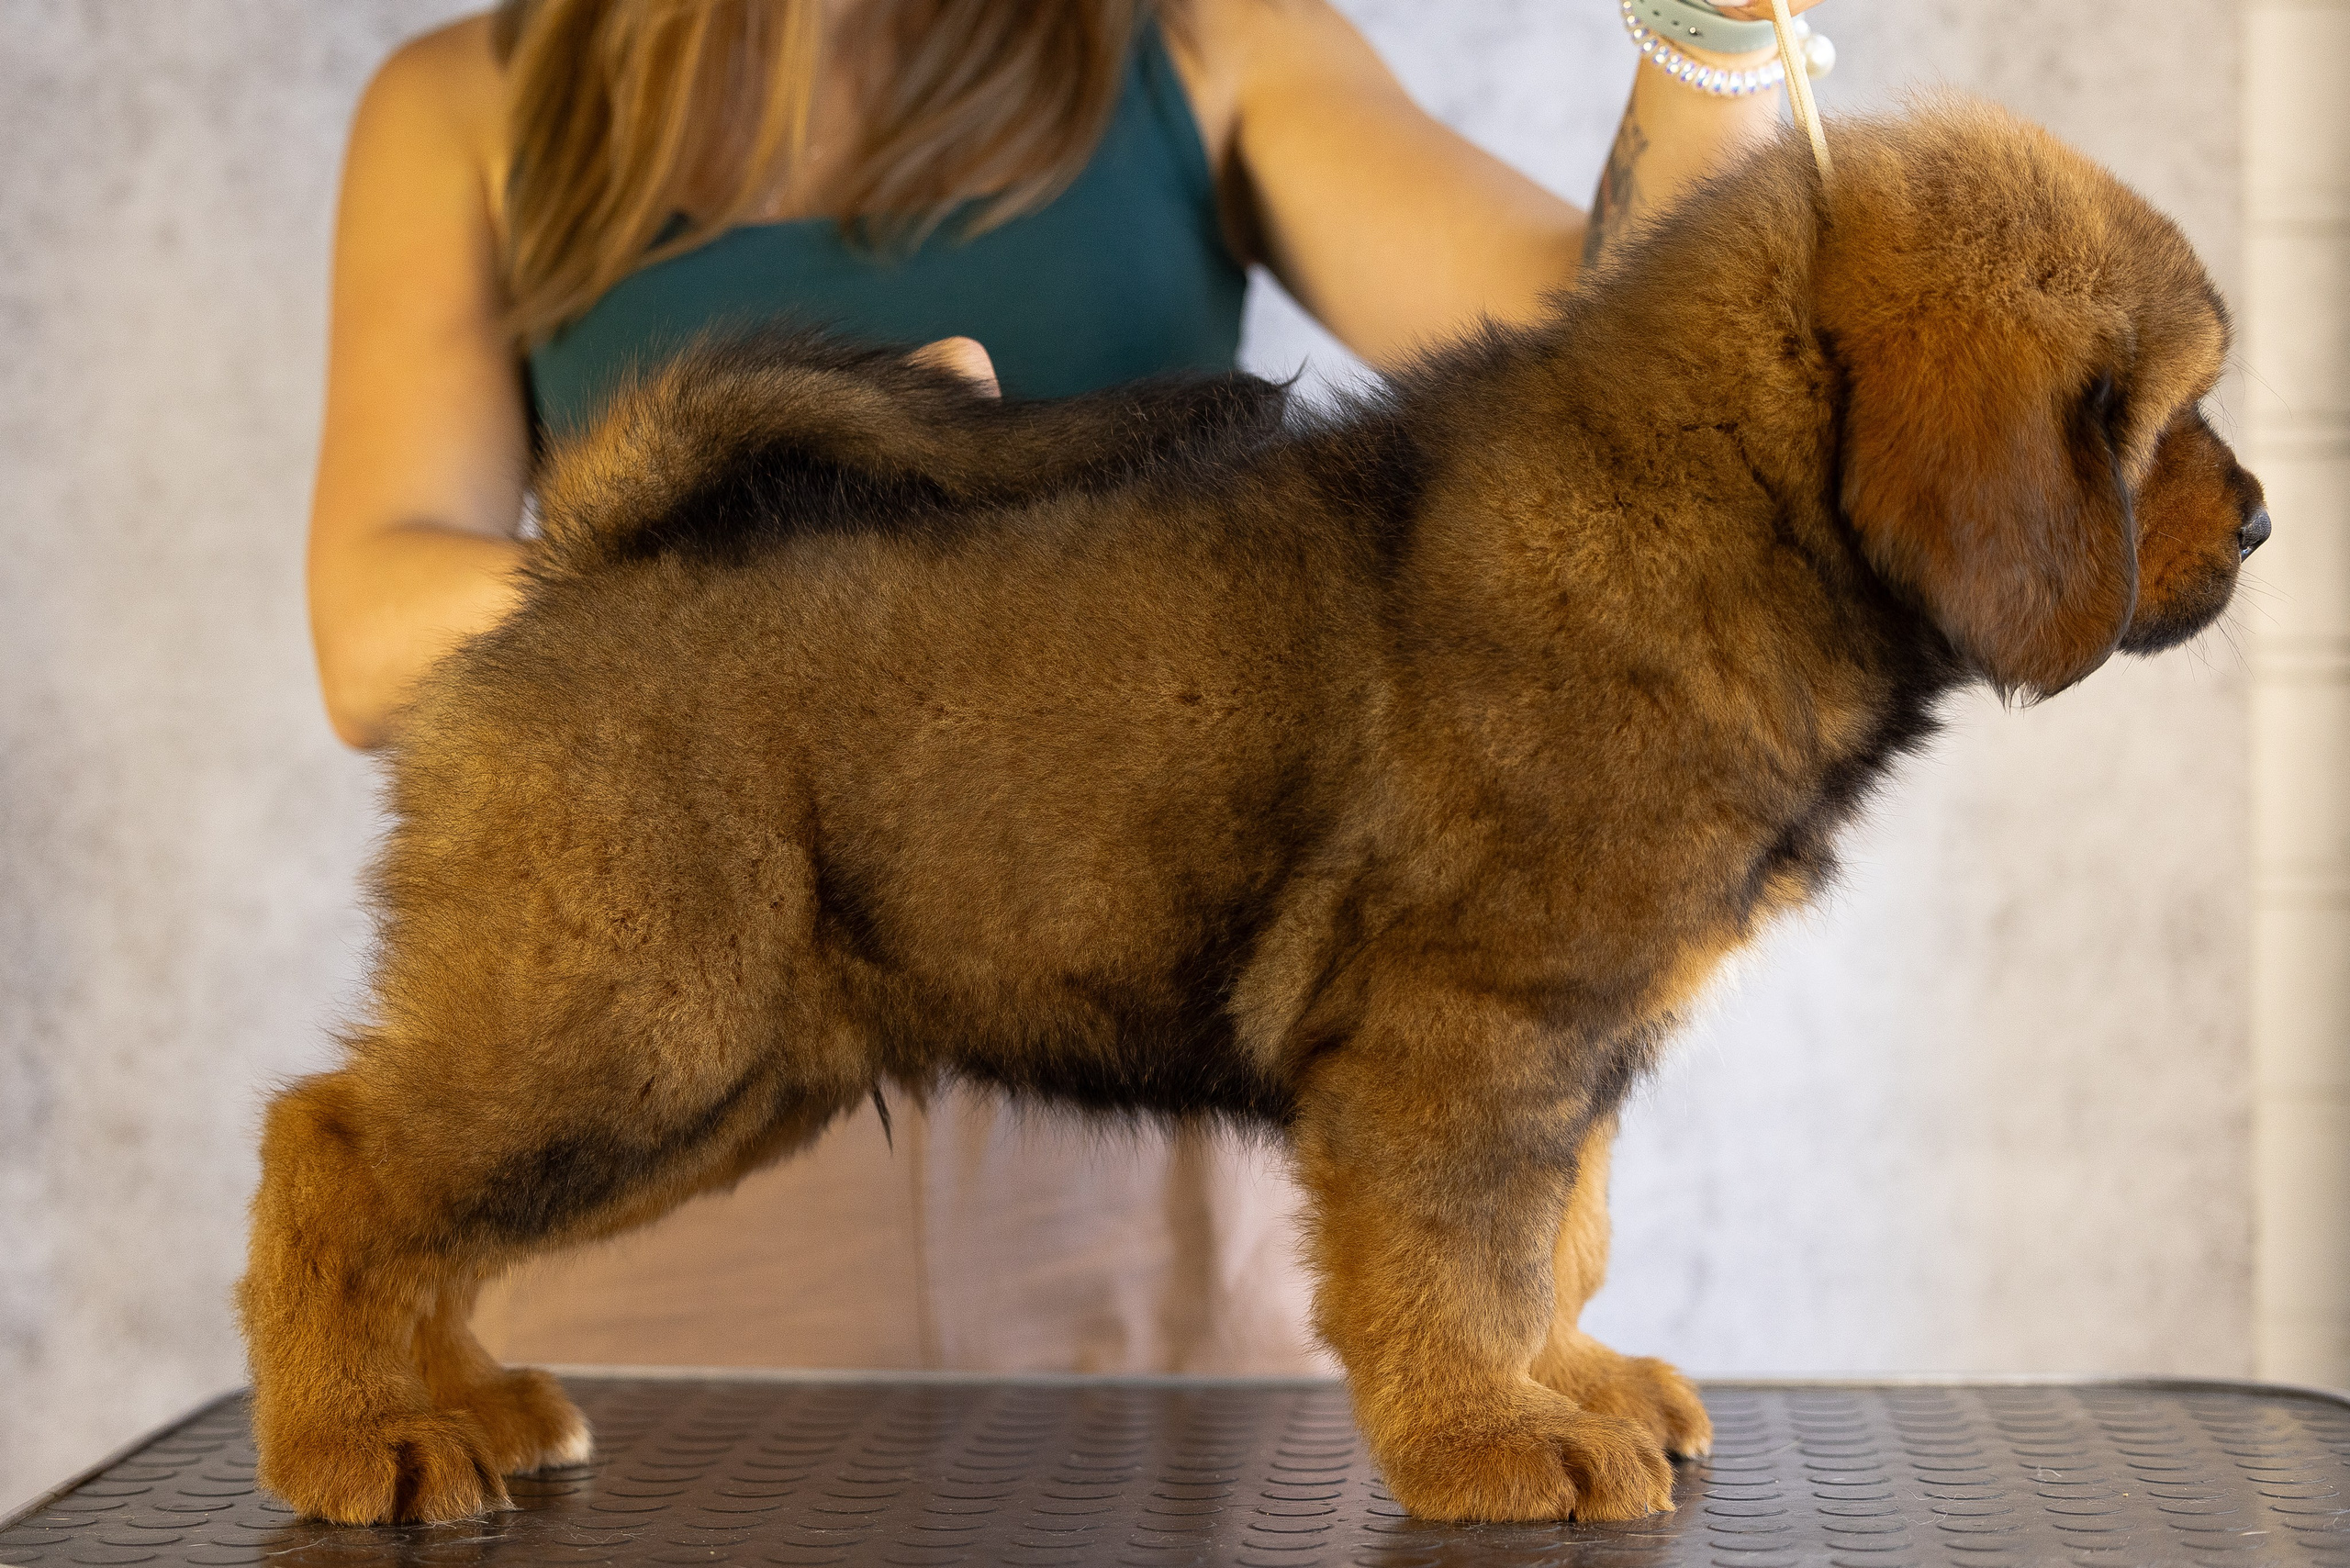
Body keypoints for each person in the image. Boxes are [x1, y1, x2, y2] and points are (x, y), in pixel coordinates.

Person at [307, 0, 1831, 1375]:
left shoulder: (1207, 42)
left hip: (1148, 1089)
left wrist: (1713, 33)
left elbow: (1611, 355)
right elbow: (369, 635)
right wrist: (809, 604)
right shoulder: (463, 105)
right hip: (678, 1074)